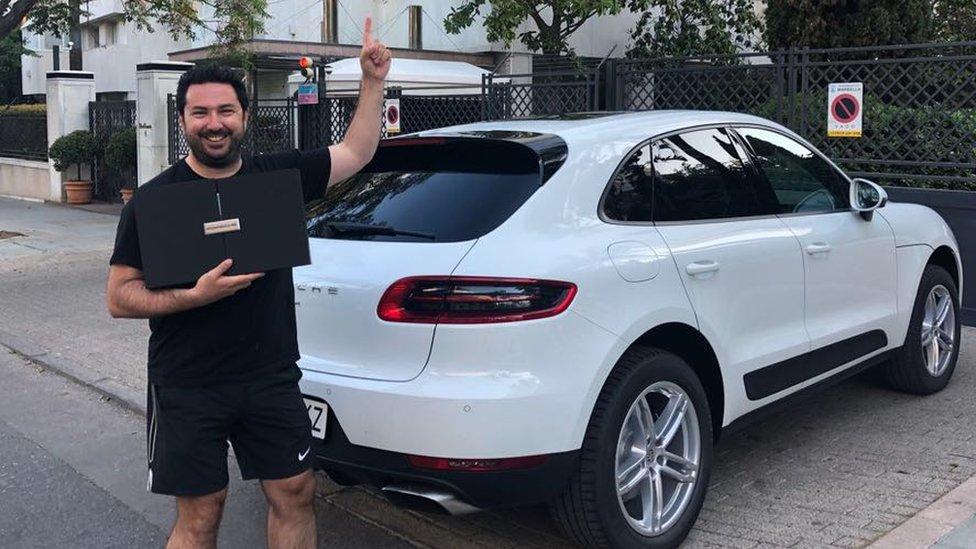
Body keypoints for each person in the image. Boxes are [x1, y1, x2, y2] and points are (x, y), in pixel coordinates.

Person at [105, 18, 391, 549]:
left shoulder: (278, 179)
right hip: (186, 382)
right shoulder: (154, 201)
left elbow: (357, 153)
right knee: (202, 511)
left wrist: (372, 81)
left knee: (294, 492)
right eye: (201, 112)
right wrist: (192, 297)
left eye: (225, 111)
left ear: (244, 116)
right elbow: (120, 296)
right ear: (183, 118)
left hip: (270, 375)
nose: (214, 123)